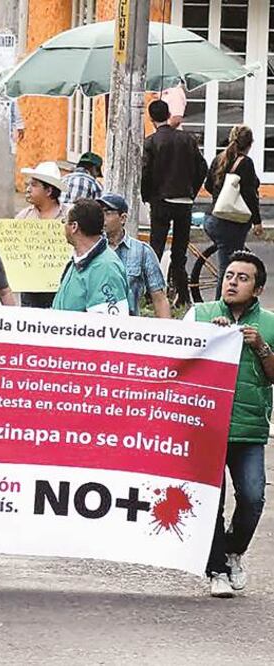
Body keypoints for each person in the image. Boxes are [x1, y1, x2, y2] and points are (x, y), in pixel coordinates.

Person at [185, 251, 274, 599]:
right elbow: (180, 365)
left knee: (252, 497)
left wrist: (262, 348)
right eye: (229, 276)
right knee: (211, 502)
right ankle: (216, 570)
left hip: (248, 429)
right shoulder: (200, 315)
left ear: (258, 288)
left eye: (242, 278)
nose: (232, 282)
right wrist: (208, 338)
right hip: (205, 426)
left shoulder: (268, 323)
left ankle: (233, 551)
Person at [141, 99, 208, 307]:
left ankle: (149, 295)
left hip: (161, 200)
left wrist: (147, 195)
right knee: (180, 251)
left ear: (151, 118)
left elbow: (145, 173)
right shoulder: (187, 139)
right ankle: (183, 296)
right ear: (169, 114)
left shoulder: (151, 142)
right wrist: (192, 191)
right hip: (184, 201)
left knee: (156, 249)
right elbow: (202, 168)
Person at [203, 124, 263, 299]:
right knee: (228, 268)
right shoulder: (246, 163)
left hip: (212, 217)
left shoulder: (219, 158)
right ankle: (220, 307)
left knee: (227, 259)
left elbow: (208, 184)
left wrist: (221, 197)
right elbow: (250, 195)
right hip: (231, 222)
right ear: (250, 144)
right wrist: (257, 221)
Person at [51, 199, 129, 315]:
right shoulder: (79, 260)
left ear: (74, 227)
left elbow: (109, 326)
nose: (63, 227)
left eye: (64, 221)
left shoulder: (105, 268)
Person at [98, 194, 170, 318]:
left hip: (129, 327)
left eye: (107, 213)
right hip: (93, 327)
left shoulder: (142, 251)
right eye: (99, 213)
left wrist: (168, 333)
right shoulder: (91, 248)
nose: (102, 218)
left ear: (122, 218)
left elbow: (159, 298)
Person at [15, 161, 70, 308]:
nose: (27, 189)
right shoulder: (23, 217)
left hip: (61, 287)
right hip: (30, 288)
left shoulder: (69, 217)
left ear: (49, 191)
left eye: (33, 185)